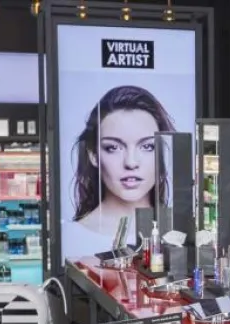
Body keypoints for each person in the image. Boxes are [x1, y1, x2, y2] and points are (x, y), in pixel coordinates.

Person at [64, 85, 176, 255]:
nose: (131, 162)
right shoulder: (73, 238)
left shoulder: (180, 234)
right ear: (93, 155)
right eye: (113, 148)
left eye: (147, 146)